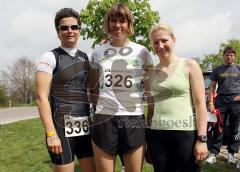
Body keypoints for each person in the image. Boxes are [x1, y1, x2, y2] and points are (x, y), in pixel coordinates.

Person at [89, 3, 153, 172]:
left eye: (122, 21)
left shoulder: (142, 51)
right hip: (104, 118)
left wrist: (150, 116)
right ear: (108, 24)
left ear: (129, 24)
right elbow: (93, 88)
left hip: (133, 118)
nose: (118, 25)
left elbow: (150, 87)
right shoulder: (98, 52)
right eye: (113, 20)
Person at [35, 8, 96, 172]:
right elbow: (41, 97)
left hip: (85, 126)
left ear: (79, 30)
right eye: (64, 28)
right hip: (60, 130)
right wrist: (50, 133)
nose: (70, 31)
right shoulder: (50, 57)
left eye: (74, 27)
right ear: (58, 32)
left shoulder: (88, 58)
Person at [146, 23, 208, 172]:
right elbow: (150, 107)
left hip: (185, 135)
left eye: (164, 40)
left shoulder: (189, 66)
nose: (160, 46)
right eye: (156, 42)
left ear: (174, 39)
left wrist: (201, 139)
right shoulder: (149, 73)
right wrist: (148, 140)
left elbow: (200, 105)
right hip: (157, 136)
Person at [206, 46, 240, 164]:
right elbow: (211, 88)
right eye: (227, 54)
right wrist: (211, 103)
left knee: (235, 128)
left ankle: (232, 154)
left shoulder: (238, 68)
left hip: (236, 101)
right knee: (218, 128)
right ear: (224, 56)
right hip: (221, 100)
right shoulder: (217, 70)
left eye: (231, 55)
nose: (229, 57)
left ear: (234, 56)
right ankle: (214, 153)